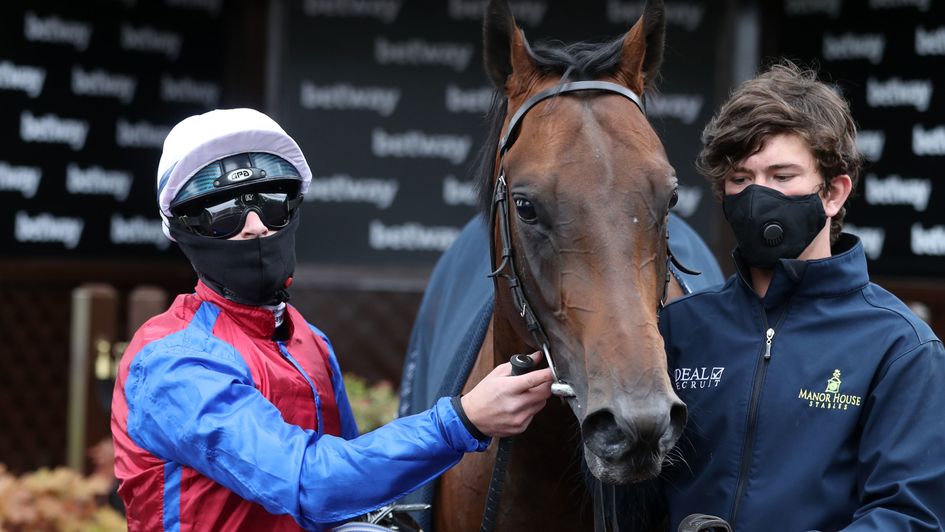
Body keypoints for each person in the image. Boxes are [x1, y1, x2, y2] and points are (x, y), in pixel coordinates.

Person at [110, 108, 554, 531]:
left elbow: (356, 488)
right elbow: (311, 483)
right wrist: (467, 419)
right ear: (185, 230)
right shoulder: (172, 361)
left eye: (270, 203)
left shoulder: (309, 340)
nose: (255, 226)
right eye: (223, 213)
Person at [658, 61, 945, 531]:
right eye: (741, 179)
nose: (757, 195)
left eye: (782, 176)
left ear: (833, 193)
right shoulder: (680, 329)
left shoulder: (900, 347)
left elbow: (909, 516)